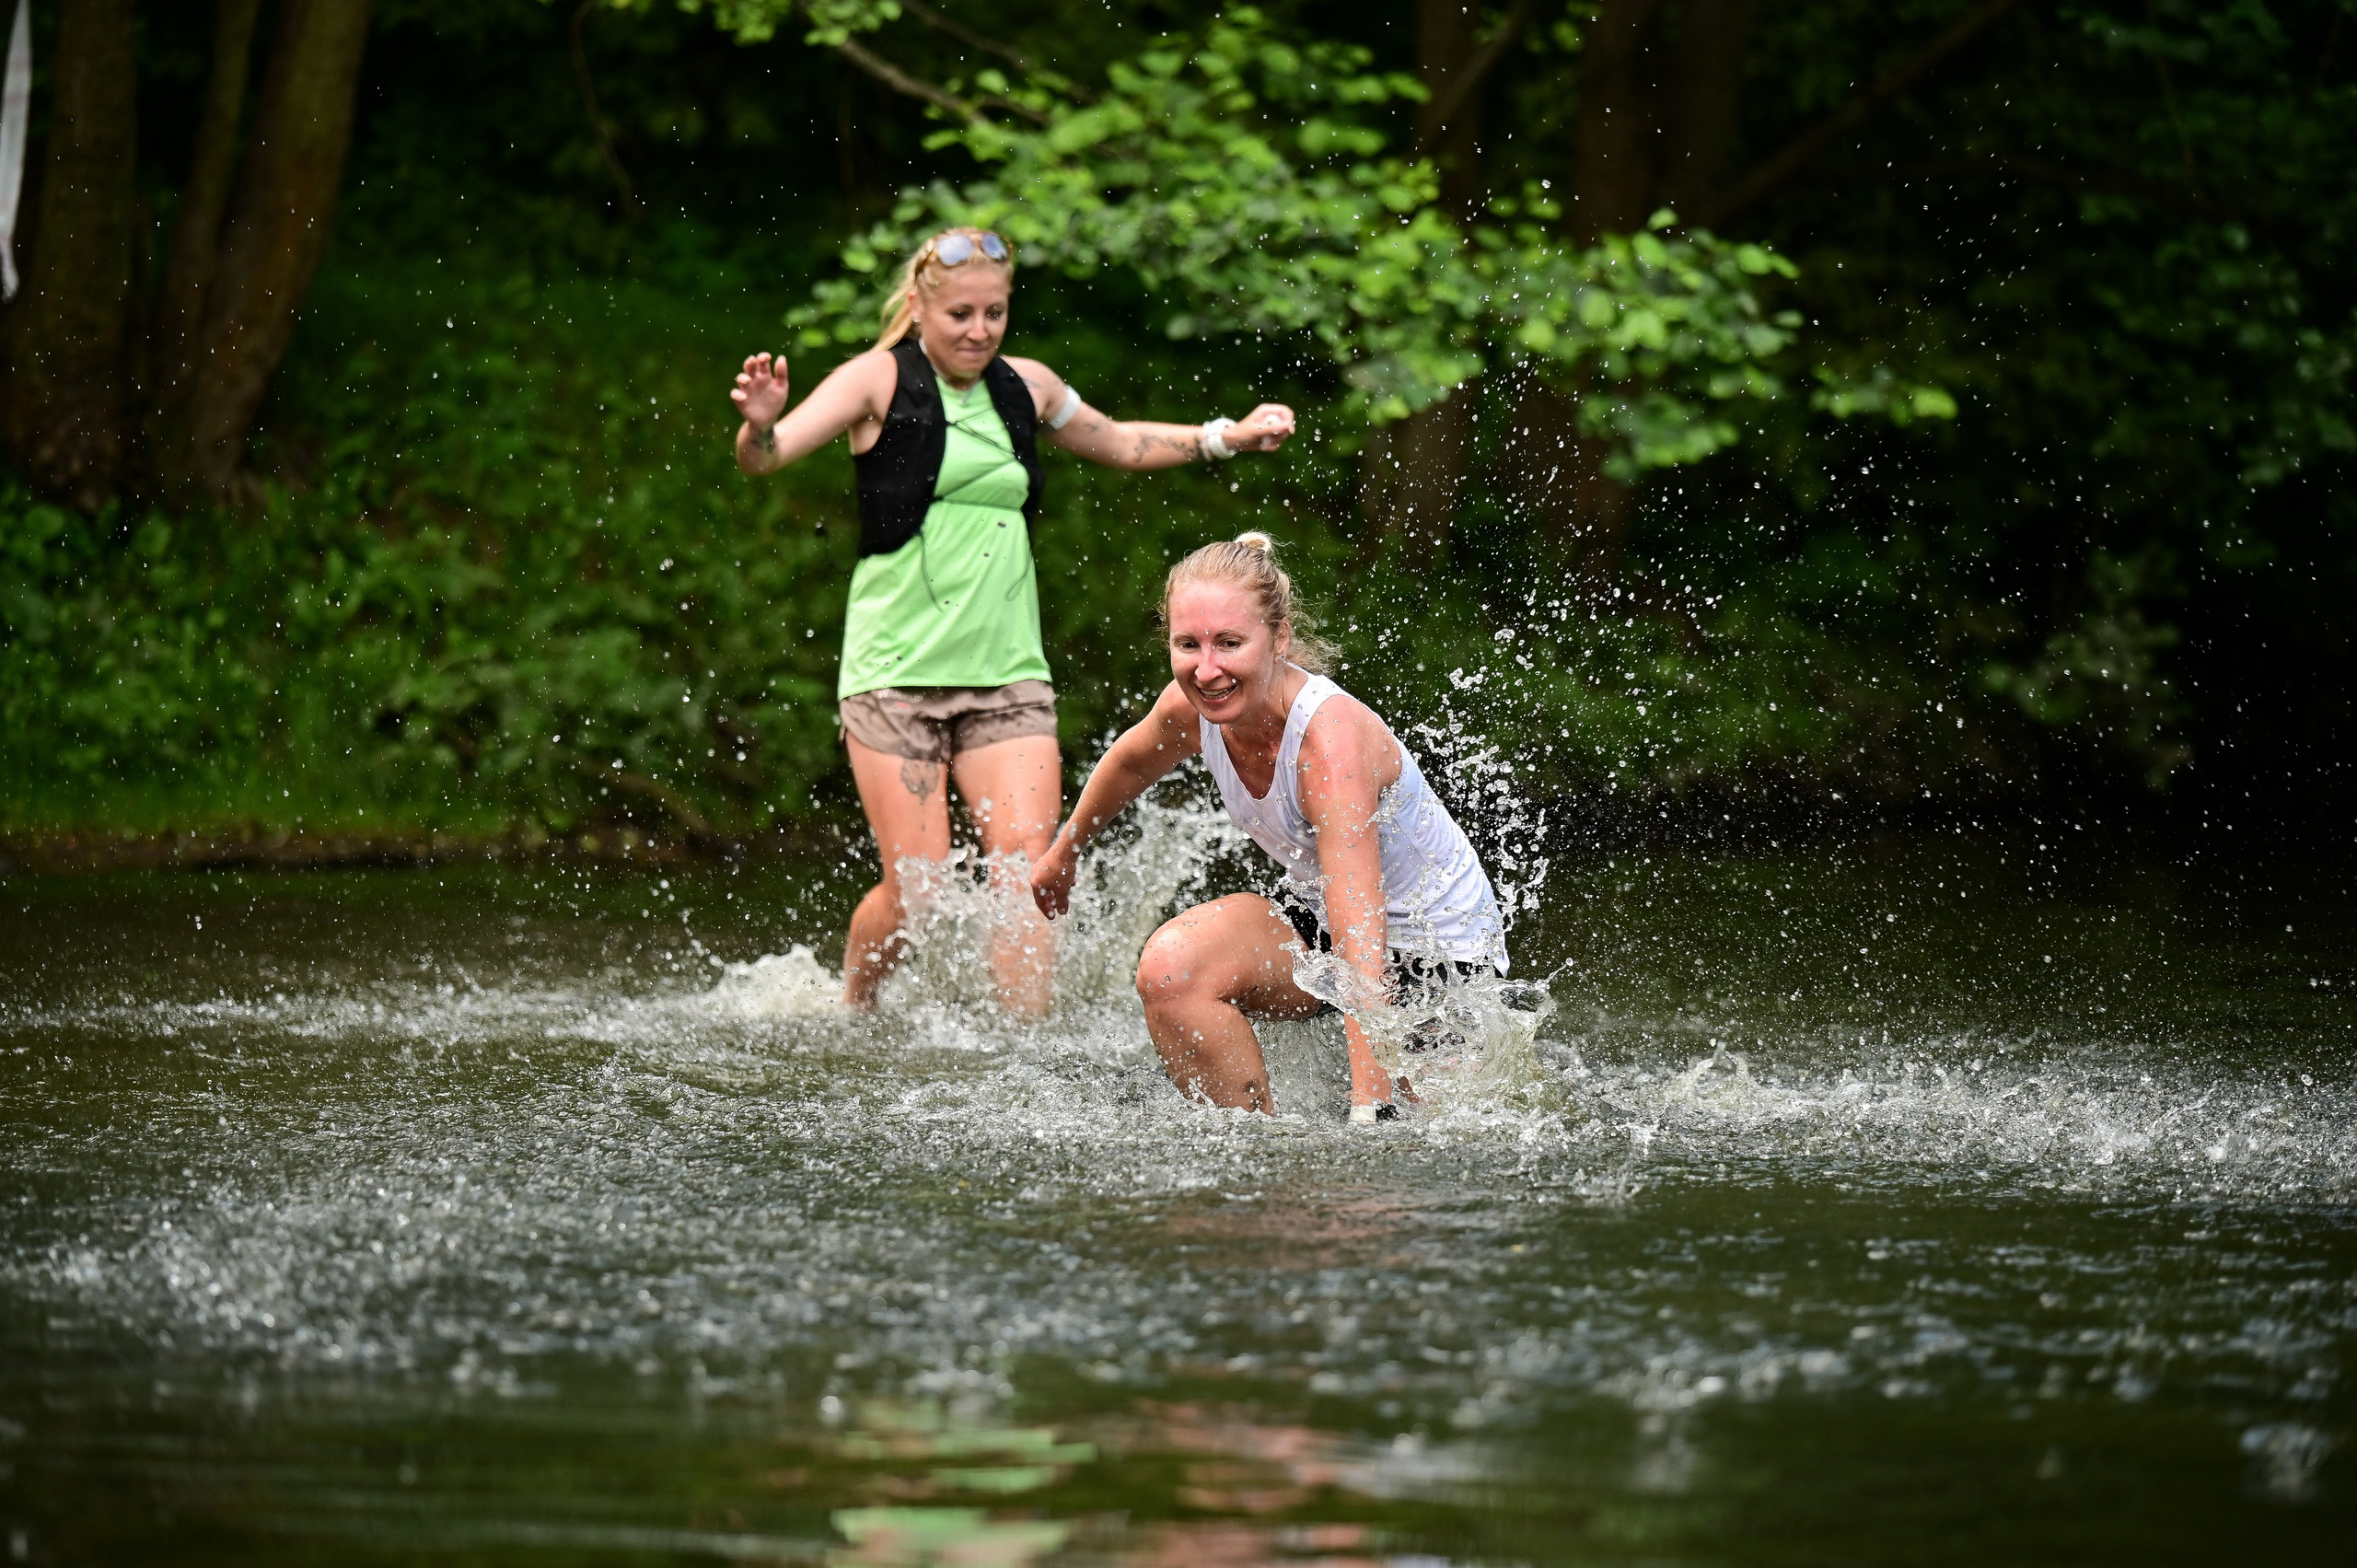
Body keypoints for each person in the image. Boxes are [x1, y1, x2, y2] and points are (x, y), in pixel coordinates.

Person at [730, 227, 1296, 1016]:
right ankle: (853, 1007)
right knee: (918, 890)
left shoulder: (1025, 387)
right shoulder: (874, 380)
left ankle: (1021, 1048)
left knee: (1026, 873)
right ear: (921, 308)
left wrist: (1223, 437)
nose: (978, 329)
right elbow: (768, 453)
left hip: (1008, 677)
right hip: (894, 675)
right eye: (961, 313)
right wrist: (759, 422)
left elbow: (1123, 443)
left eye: (994, 312)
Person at [1029, 532, 1508, 1120]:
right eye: (1188, 645)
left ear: (1279, 639)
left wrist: (1370, 1105)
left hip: (1441, 951)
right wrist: (1066, 850)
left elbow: (1361, 919)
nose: (1207, 670)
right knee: (1173, 971)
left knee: (1413, 1135)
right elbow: (1130, 760)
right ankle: (1257, 1150)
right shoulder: (1194, 707)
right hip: (1325, 920)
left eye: (1229, 643)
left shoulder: (1328, 744)